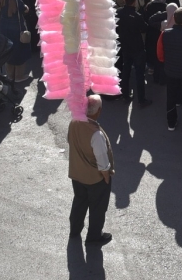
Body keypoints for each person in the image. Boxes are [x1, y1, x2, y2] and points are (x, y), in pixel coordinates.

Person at [68, 94, 114, 247]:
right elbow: (102, 159)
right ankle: (94, 237)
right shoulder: (96, 133)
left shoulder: (74, 122)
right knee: (97, 209)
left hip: (76, 174)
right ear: (98, 111)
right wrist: (106, 176)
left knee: (79, 202)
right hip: (95, 179)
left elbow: (70, 140)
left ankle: (74, 230)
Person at [157, 6, 182, 133]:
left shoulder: (164, 34)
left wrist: (167, 62)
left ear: (173, 18)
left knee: (171, 96)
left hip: (170, 71)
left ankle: (171, 123)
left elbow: (160, 54)